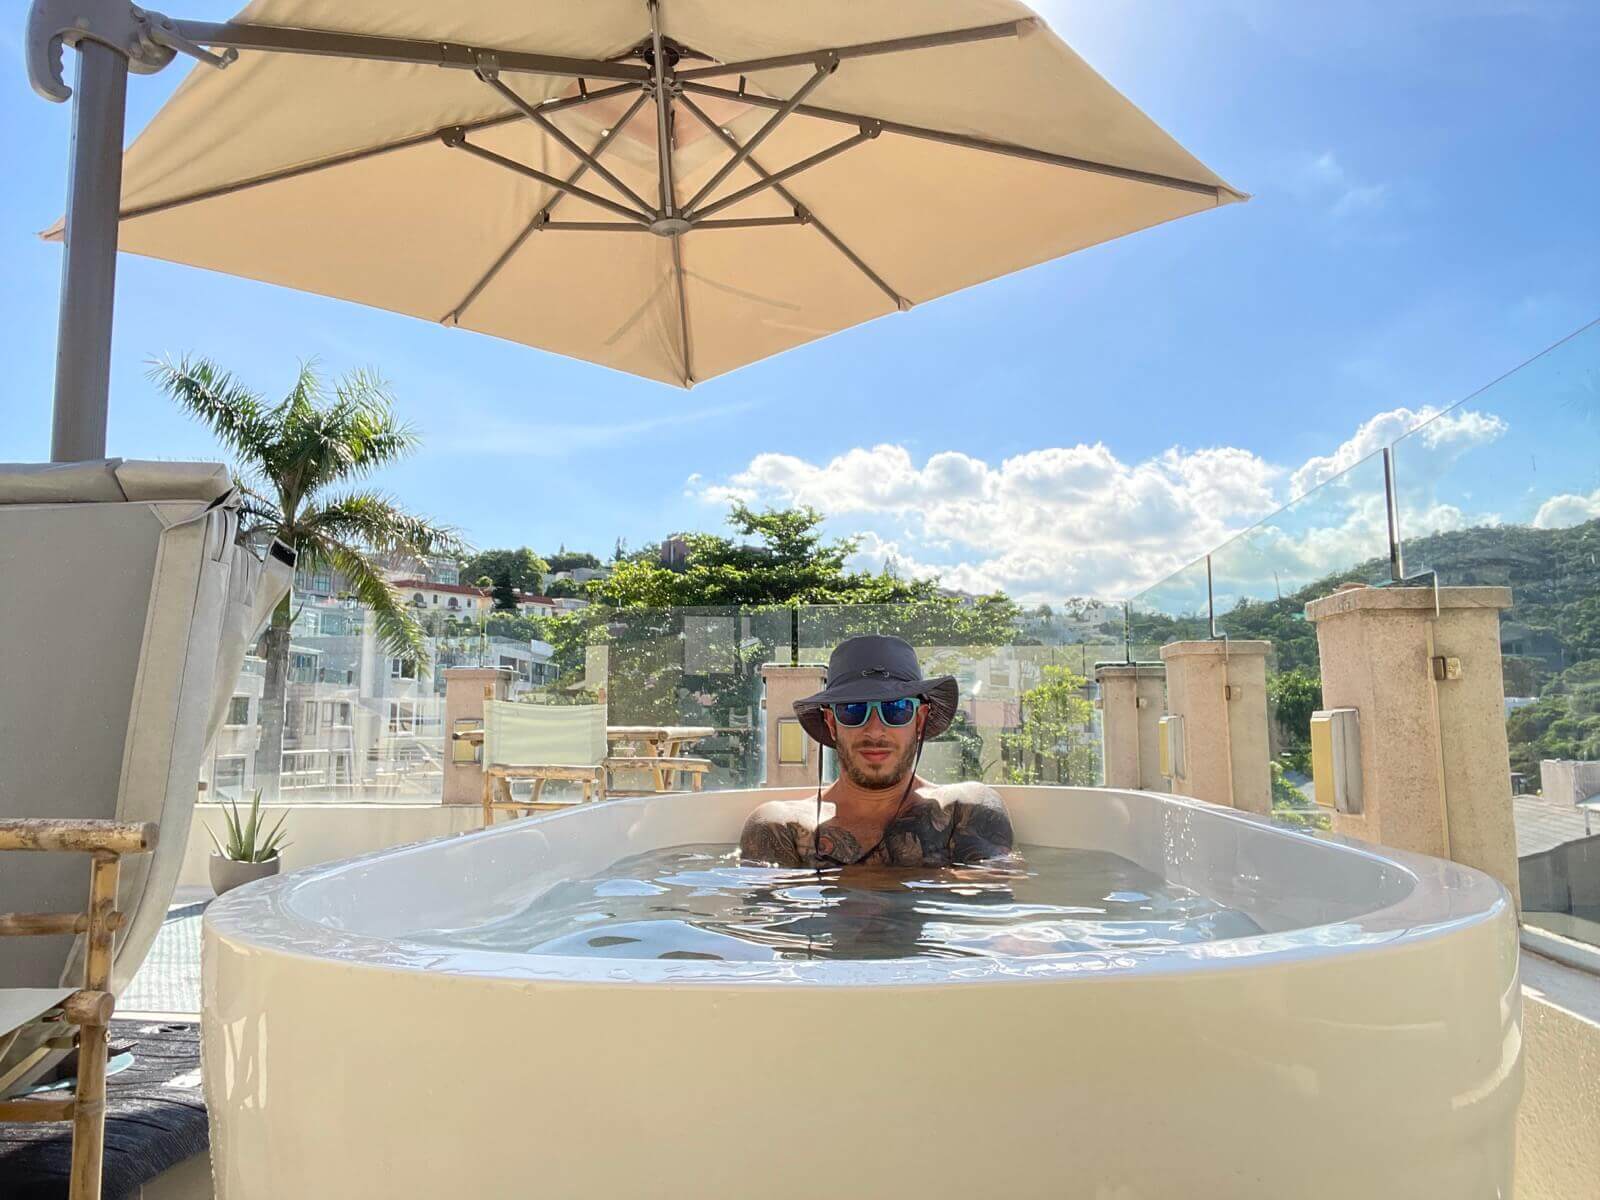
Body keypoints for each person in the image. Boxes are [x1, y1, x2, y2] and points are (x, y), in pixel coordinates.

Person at [740, 635, 1014, 867]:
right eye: (853, 710)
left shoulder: (965, 809)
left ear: (919, 720)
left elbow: (987, 905)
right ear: (831, 723)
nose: (874, 730)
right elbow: (773, 923)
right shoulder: (779, 825)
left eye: (896, 710)